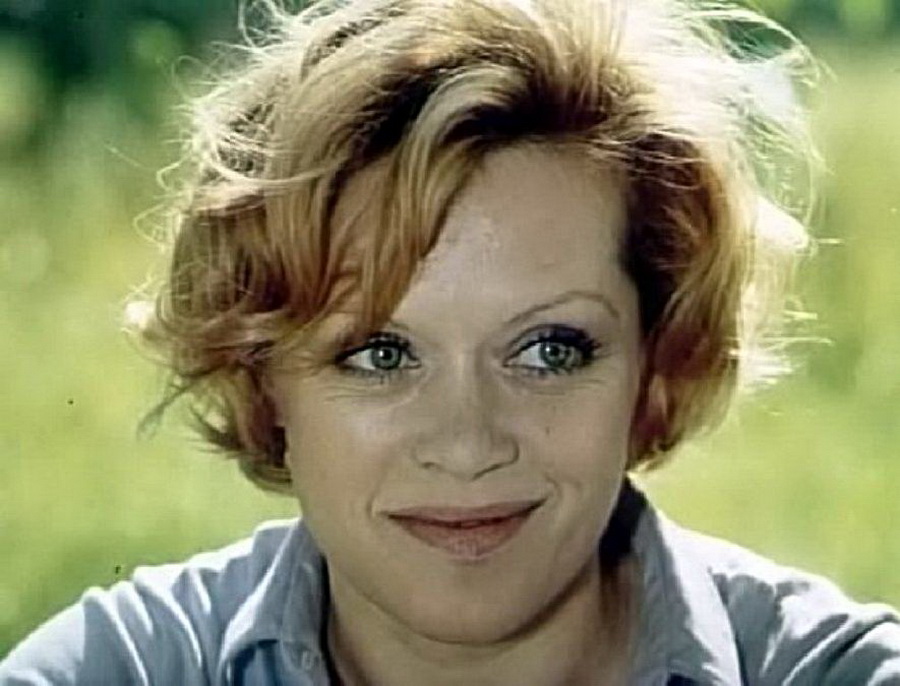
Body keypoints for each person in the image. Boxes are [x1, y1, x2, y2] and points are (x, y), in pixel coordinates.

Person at [3, 0, 899, 683]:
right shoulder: (119, 668)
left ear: (655, 367)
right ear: (262, 379)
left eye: (549, 350)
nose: (467, 446)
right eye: (380, 354)